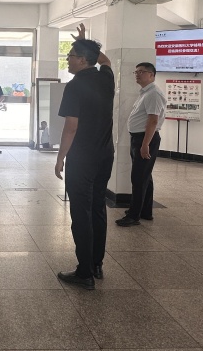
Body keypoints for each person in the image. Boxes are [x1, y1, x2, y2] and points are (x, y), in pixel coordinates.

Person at [54, 24, 114, 291]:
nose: (67, 59)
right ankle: (97, 264)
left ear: (81, 60)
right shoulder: (106, 77)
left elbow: (71, 127)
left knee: (81, 212)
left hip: (82, 158)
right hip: (105, 155)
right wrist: (86, 42)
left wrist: (60, 157)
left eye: (71, 55)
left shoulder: (74, 86)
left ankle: (84, 272)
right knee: (98, 207)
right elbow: (106, 60)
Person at [116, 62, 166, 227]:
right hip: (139, 138)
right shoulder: (146, 92)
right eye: (136, 72)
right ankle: (145, 211)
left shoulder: (153, 94)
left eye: (142, 72)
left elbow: (153, 121)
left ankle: (134, 215)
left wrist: (145, 144)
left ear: (151, 75)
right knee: (145, 177)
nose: (137, 74)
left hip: (145, 139)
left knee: (138, 178)